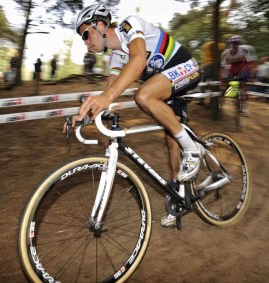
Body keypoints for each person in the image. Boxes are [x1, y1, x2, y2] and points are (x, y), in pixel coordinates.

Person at [63, 4, 203, 228]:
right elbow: (108, 94)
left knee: (143, 96)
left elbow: (139, 61)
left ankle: (194, 149)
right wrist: (85, 117)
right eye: (83, 39)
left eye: (86, 34)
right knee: (171, 137)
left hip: (186, 68)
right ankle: (179, 193)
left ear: (100, 25)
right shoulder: (116, 57)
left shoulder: (129, 25)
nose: (86, 42)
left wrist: (106, 97)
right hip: (166, 83)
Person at [220, 35, 257, 112]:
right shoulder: (225, 53)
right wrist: (223, 78)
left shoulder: (244, 50)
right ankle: (221, 102)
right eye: (232, 46)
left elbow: (250, 63)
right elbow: (223, 67)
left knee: (244, 83)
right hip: (231, 66)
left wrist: (252, 74)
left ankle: (244, 102)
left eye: (236, 46)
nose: (234, 48)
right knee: (224, 83)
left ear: (239, 45)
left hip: (242, 65)